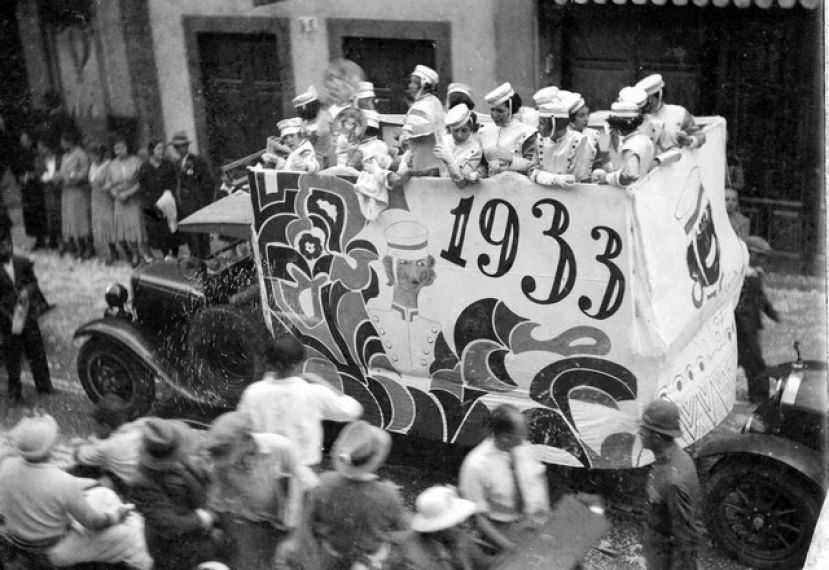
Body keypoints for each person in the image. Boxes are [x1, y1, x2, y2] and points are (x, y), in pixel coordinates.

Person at [0, 413, 152, 569]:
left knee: (104, 494)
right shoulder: (64, 483)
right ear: (50, 446)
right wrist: (118, 515)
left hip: (18, 538)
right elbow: (94, 523)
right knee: (132, 535)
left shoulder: (7, 465)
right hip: (53, 550)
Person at [274, 420, 409, 570]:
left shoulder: (325, 482)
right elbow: (402, 531)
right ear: (376, 460)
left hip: (330, 557)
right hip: (368, 562)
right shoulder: (387, 494)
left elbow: (308, 521)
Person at [204, 410, 318, 569]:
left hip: (288, 525)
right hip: (250, 525)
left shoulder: (280, 447)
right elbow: (218, 500)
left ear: (246, 439)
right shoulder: (220, 463)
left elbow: (310, 489)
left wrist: (296, 538)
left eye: (230, 453)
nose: (228, 461)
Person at [237, 334, 363, 470]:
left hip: (264, 471)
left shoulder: (253, 393)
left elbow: (239, 428)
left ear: (269, 362)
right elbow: (352, 410)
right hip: (304, 473)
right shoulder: (313, 393)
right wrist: (324, 385)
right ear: (299, 363)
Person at [131, 418, 227, 570]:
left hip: (203, 537)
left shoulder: (173, 449)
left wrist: (206, 473)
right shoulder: (142, 483)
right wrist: (203, 517)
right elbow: (170, 525)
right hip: (174, 551)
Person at [458, 404, 550, 553]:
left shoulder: (524, 448)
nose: (525, 436)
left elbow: (538, 482)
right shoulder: (475, 465)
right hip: (501, 531)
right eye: (521, 434)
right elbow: (479, 519)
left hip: (532, 525)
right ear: (505, 437)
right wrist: (509, 548)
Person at [73, 395, 202, 493]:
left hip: (144, 489)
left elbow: (78, 454)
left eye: (96, 425)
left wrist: (93, 441)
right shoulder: (147, 423)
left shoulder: (107, 447)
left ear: (105, 425)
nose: (94, 428)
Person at [639, 398, 705, 569]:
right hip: (658, 547)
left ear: (657, 437)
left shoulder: (672, 480)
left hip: (665, 557)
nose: (639, 432)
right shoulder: (675, 458)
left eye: (644, 429)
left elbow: (685, 537)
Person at [0, 215, 53, 404]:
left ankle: (44, 386)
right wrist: (7, 314)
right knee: (12, 358)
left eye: (8, 245)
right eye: (2, 246)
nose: (6, 249)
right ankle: (14, 393)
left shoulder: (22, 262)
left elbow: (33, 283)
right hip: (8, 320)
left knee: (36, 352)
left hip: (27, 314)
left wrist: (26, 292)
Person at [390, 485, 487, 570]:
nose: (462, 523)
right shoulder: (413, 559)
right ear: (439, 529)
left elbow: (483, 562)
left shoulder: (456, 536)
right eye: (455, 521)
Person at [735, 236, 780, 404]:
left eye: (764, 257)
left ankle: (756, 397)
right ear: (747, 253)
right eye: (759, 256)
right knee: (756, 364)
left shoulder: (756, 274)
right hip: (740, 327)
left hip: (750, 326)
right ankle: (760, 400)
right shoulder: (738, 273)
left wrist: (770, 312)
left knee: (749, 362)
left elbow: (759, 296)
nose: (762, 261)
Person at [592, 89, 656, 187]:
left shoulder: (630, 146)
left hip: (627, 197)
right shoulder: (644, 140)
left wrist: (607, 178)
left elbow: (631, 174)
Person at [529, 92, 593, 187]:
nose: (538, 127)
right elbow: (532, 171)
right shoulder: (539, 140)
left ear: (556, 125)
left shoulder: (580, 141)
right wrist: (553, 179)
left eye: (542, 123)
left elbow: (580, 180)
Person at [107, 135, 150, 267]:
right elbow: (109, 183)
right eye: (116, 148)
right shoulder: (112, 165)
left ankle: (145, 253)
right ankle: (135, 254)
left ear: (127, 147)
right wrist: (116, 194)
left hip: (133, 199)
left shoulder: (137, 162)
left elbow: (141, 181)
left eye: (122, 147)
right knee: (125, 229)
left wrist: (128, 193)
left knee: (137, 226)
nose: (119, 150)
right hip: (119, 202)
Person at [171, 131, 215, 259]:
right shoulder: (176, 164)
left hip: (197, 205)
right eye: (177, 147)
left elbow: (209, 183)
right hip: (184, 207)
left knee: (202, 237)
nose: (180, 149)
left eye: (183, 146)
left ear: (187, 146)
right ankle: (195, 260)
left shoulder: (197, 161)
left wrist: (204, 203)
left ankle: (205, 260)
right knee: (190, 236)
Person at [635, 73, 706, 153]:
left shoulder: (679, 113)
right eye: (643, 102)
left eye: (650, 101)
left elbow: (699, 135)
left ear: (660, 96)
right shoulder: (635, 117)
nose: (646, 105)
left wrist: (690, 140)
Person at [479, 82, 537, 176]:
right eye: (492, 110)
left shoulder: (527, 133)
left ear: (511, 109)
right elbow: (483, 164)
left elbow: (533, 165)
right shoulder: (484, 131)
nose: (495, 115)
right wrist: (479, 172)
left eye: (500, 111)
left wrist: (511, 159)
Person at [55, 126, 92, 259]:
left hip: (78, 192)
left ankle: (88, 247)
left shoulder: (80, 154)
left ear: (69, 141)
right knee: (71, 220)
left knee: (81, 219)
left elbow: (85, 171)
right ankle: (78, 246)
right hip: (67, 192)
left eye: (63, 141)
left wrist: (74, 177)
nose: (61, 144)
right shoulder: (65, 156)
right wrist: (57, 176)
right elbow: (63, 171)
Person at [139, 139, 180, 258]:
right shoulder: (145, 167)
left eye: (163, 149)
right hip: (154, 203)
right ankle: (166, 254)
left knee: (172, 227)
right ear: (152, 150)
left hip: (168, 201)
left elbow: (174, 182)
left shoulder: (168, 165)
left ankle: (175, 253)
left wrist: (168, 195)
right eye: (158, 149)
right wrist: (151, 200)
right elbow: (142, 186)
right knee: (159, 229)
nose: (161, 151)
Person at [12, 130, 49, 249]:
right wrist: (20, 178)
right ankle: (35, 237)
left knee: (38, 212)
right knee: (29, 214)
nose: (23, 143)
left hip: (36, 188)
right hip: (26, 188)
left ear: (30, 141)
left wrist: (33, 175)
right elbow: (16, 170)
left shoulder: (36, 155)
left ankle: (41, 238)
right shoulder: (19, 155)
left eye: (25, 141)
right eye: (21, 141)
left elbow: (43, 171)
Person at [433, 103, 483, 188]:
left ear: (471, 129)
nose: (459, 135)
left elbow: (461, 182)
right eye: (455, 131)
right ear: (450, 129)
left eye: (464, 130)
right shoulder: (443, 141)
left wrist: (450, 162)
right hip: (436, 188)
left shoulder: (475, 150)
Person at [88, 142, 119, 264]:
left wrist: (109, 185)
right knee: (99, 225)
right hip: (95, 198)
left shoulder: (109, 165)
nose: (93, 158)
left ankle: (113, 251)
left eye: (95, 155)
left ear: (100, 155)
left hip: (106, 198)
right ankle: (107, 250)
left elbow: (114, 180)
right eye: (92, 156)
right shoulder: (92, 166)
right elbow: (91, 181)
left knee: (108, 224)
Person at [293, 85, 334, 169]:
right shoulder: (305, 123)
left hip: (321, 162)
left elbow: (310, 142)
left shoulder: (322, 120)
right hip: (308, 161)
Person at [37, 137, 63, 249]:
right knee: (51, 215)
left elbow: (62, 172)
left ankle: (63, 239)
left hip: (59, 189)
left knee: (60, 214)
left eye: (42, 147)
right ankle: (54, 239)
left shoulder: (59, 158)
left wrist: (55, 178)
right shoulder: (40, 160)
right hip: (48, 190)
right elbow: (41, 176)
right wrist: (50, 178)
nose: (40, 150)